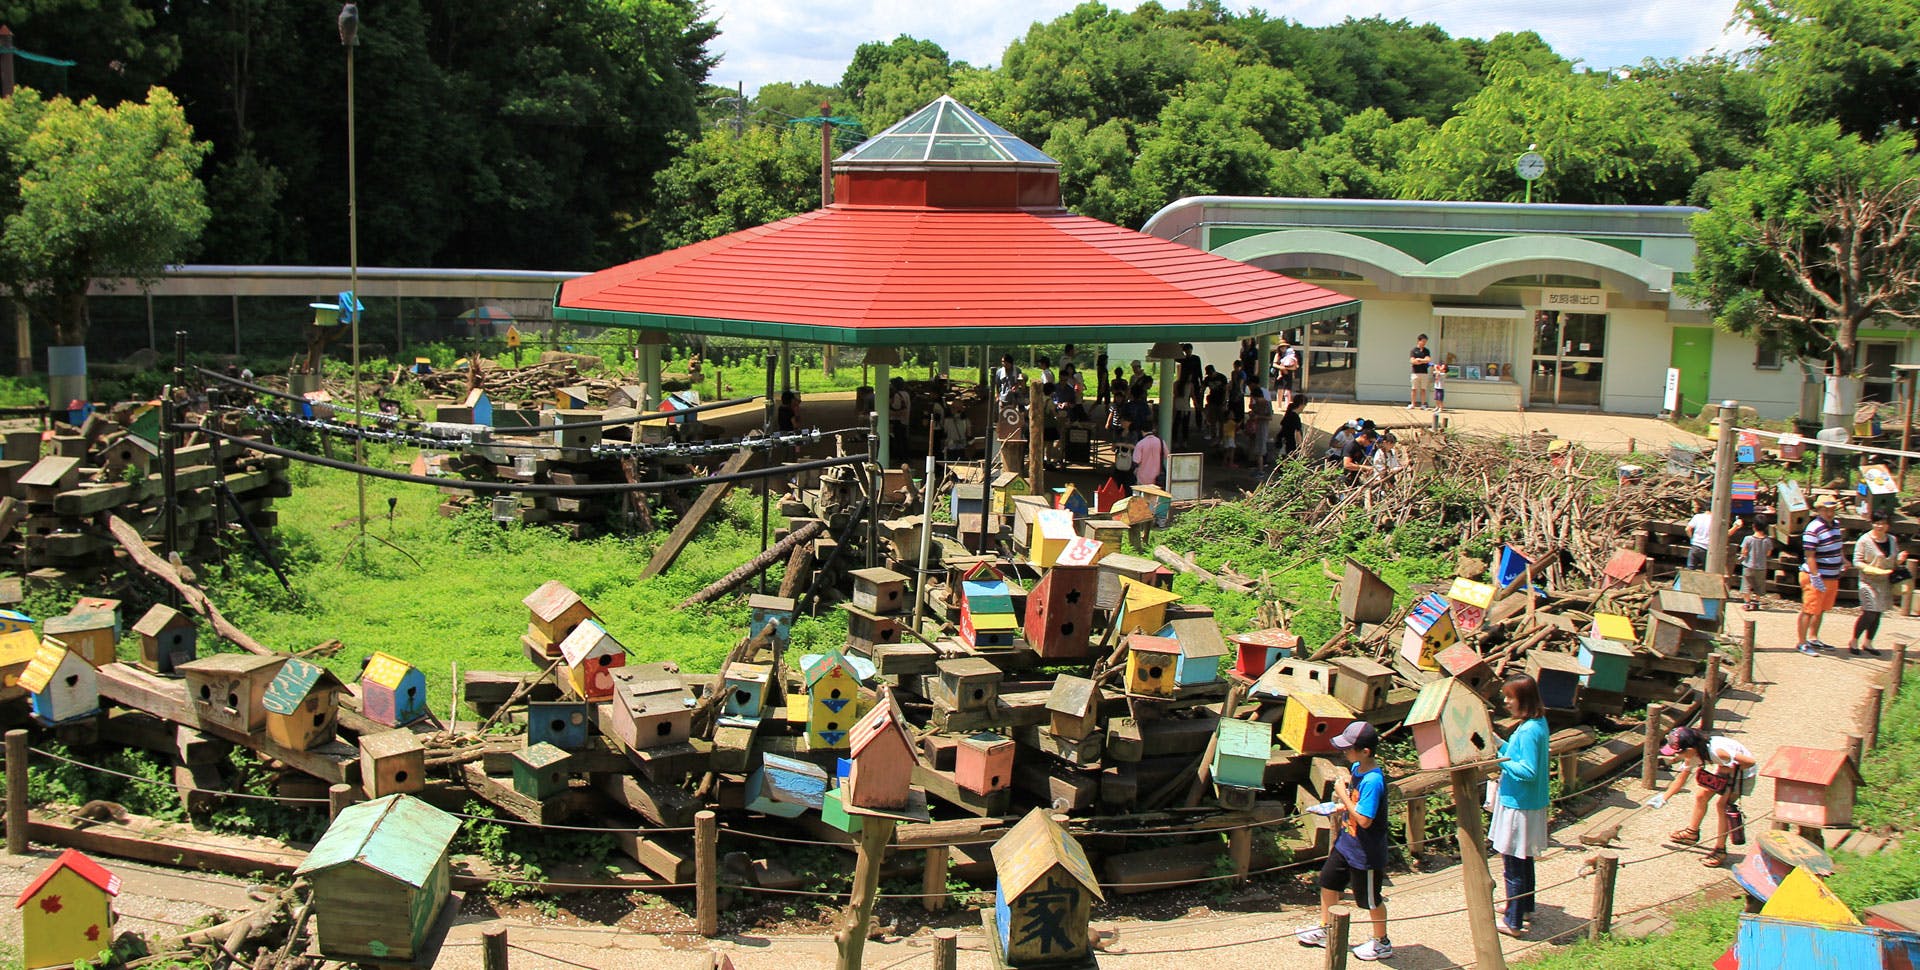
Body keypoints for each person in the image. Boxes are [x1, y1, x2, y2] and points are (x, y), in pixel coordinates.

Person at [1297, 721, 1393, 961]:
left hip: (1366, 851)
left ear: (1365, 751)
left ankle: (1382, 942)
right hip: (1347, 843)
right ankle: (1326, 927)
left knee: (1370, 899)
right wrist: (1336, 806)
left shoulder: (1372, 780)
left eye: (1349, 748)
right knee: (1328, 882)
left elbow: (1365, 820)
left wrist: (1341, 794)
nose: (1344, 752)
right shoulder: (1359, 769)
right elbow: (1355, 803)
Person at [1491, 674, 1551, 938]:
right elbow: (1516, 753)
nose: (1506, 702)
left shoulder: (1528, 731)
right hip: (1529, 802)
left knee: (1513, 863)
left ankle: (1513, 921)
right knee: (1524, 860)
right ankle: (1524, 907)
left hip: (1519, 804)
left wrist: (1498, 759)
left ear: (1523, 699)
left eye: (1510, 697)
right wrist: (1496, 742)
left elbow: (1526, 770)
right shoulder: (1537, 724)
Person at [1647, 726, 1756, 868]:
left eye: (1678, 752)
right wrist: (1664, 797)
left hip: (1742, 773)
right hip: (1725, 768)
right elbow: (1682, 778)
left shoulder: (1718, 752)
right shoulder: (1693, 753)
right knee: (1701, 796)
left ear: (1690, 749)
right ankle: (1692, 833)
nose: (1676, 756)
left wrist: (1728, 770)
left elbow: (1750, 762)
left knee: (1722, 806)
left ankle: (1720, 849)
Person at [1851, 511, 1907, 656]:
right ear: (1872, 523)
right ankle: (1854, 640)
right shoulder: (1864, 540)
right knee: (1869, 611)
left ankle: (1868, 642)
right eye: (1877, 523)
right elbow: (1857, 561)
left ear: (1887, 525)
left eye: (1882, 523)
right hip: (1868, 581)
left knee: (1878, 613)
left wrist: (1900, 559)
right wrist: (1869, 568)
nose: (1879, 526)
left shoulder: (1892, 540)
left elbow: (1893, 561)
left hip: (1885, 582)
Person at [1798, 496, 1847, 655]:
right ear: (1818, 510)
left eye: (1832, 510)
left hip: (1832, 575)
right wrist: (1815, 575)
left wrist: (1843, 560)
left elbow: (1837, 546)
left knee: (1822, 609)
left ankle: (1813, 637)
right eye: (1826, 510)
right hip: (1816, 575)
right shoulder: (1813, 528)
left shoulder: (1836, 525)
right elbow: (1810, 554)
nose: (1829, 513)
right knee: (1809, 609)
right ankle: (1801, 642)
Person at [1739, 515, 1773, 611]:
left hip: (1748, 565)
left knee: (1746, 584)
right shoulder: (1767, 540)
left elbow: (1744, 551)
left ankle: (1747, 603)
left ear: (1753, 526)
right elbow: (1769, 553)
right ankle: (1756, 602)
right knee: (1759, 585)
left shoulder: (1748, 539)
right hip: (1761, 566)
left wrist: (1744, 555)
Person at [1244, 383, 1274, 469]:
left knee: (1260, 449)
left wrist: (1258, 416)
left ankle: (1260, 469)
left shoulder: (1267, 404)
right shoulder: (1256, 404)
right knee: (1253, 445)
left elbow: (1270, 417)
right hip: (1255, 427)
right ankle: (1255, 463)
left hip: (1262, 428)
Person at [1133, 425, 1165, 490]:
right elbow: (1166, 455)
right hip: (1157, 477)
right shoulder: (1161, 442)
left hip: (1143, 477)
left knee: (1143, 498)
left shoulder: (1140, 444)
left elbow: (1136, 460)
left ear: (1142, 431)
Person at [1408, 333, 1434, 410]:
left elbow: (1428, 360)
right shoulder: (1413, 350)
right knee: (1414, 389)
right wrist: (1421, 361)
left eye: (1425, 342)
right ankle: (1413, 404)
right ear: (1419, 341)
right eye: (1423, 341)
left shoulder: (1426, 350)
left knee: (1423, 389)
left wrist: (1419, 360)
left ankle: (1423, 404)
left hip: (1424, 372)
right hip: (1415, 372)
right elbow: (1412, 361)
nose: (1424, 343)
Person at [1178, 343, 1204, 414]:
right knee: (1185, 401)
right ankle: (1186, 417)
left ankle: (1198, 419)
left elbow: (1199, 371)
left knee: (1197, 401)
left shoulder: (1196, 358)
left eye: (1189, 350)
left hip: (1194, 382)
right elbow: (1175, 357)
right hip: (1185, 382)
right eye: (1186, 351)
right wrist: (1180, 348)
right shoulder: (1183, 358)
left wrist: (1201, 382)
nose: (1188, 352)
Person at [887, 377, 910, 449]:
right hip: (905, 419)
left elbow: (896, 407)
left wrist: (889, 403)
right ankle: (904, 456)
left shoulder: (897, 395)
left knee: (898, 439)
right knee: (903, 438)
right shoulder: (906, 393)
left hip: (898, 420)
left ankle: (900, 456)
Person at [1171, 378, 1194, 449]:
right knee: (1185, 425)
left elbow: (1175, 395)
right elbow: (1192, 395)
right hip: (1186, 406)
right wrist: (1197, 404)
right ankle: (1184, 441)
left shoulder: (1176, 383)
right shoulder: (1190, 384)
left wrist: (1173, 406)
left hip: (1178, 406)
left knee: (1176, 424)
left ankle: (1175, 441)